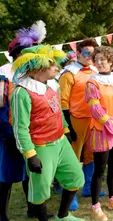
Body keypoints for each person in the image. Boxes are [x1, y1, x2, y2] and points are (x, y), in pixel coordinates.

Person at [11, 45, 85, 221]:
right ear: (39, 67)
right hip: (40, 146)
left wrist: (66, 129)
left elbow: (58, 110)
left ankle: (63, 215)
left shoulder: (53, 84)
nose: (57, 68)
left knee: (75, 177)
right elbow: (20, 128)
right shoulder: (22, 92)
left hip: (60, 141)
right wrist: (30, 155)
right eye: (52, 65)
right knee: (41, 190)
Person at [0, 20, 55, 221]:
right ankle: (2, 215)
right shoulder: (4, 76)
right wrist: (10, 135)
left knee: (31, 174)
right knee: (5, 177)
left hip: (34, 135)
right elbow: (1, 108)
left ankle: (33, 208)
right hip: (10, 135)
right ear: (17, 55)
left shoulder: (35, 75)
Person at [58, 38, 105, 210]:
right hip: (76, 119)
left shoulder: (95, 71)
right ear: (78, 53)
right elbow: (62, 101)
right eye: (86, 53)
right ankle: (71, 193)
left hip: (94, 120)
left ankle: (88, 187)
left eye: (92, 54)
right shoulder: (69, 73)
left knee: (90, 155)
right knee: (72, 158)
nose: (89, 56)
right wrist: (67, 126)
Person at [85, 46, 113, 221]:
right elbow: (95, 109)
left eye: (103, 59)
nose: (99, 62)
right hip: (102, 130)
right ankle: (95, 206)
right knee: (100, 169)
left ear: (112, 62)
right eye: (97, 59)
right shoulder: (92, 82)